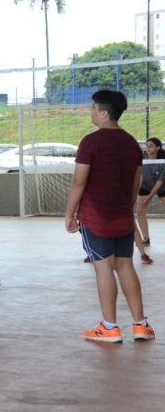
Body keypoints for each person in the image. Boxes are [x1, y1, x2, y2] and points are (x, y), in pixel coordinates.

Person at [65, 90, 154, 342]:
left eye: (93, 108)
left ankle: (109, 327)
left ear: (104, 113)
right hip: (123, 215)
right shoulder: (131, 143)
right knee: (125, 266)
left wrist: (69, 213)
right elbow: (136, 183)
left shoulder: (91, 142)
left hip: (96, 216)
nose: (91, 111)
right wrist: (128, 209)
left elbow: (78, 182)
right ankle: (141, 325)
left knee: (103, 268)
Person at [133, 136, 164, 264]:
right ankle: (146, 238)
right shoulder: (143, 159)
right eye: (146, 145)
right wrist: (136, 194)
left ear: (157, 147)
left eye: (150, 145)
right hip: (146, 185)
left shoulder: (163, 161)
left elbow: (160, 182)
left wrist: (150, 197)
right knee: (140, 211)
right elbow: (140, 177)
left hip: (162, 185)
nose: (147, 148)